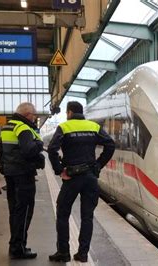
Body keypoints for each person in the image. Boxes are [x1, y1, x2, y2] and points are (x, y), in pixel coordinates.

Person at [48, 101, 115, 263]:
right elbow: (110, 145)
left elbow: (51, 149)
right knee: (87, 216)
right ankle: (83, 253)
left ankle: (63, 252)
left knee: (63, 214)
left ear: (70, 112)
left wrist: (59, 170)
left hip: (72, 178)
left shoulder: (64, 127)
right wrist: (98, 164)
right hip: (90, 177)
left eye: (66, 113)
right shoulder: (93, 126)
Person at [0, 102, 44, 259]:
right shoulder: (23, 128)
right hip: (23, 175)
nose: (35, 117)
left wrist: (4, 169)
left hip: (10, 175)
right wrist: (39, 144)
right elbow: (29, 150)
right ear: (27, 115)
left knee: (14, 211)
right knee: (24, 212)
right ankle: (19, 248)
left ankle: (14, 245)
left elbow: (0, 152)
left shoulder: (6, 128)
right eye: (34, 114)